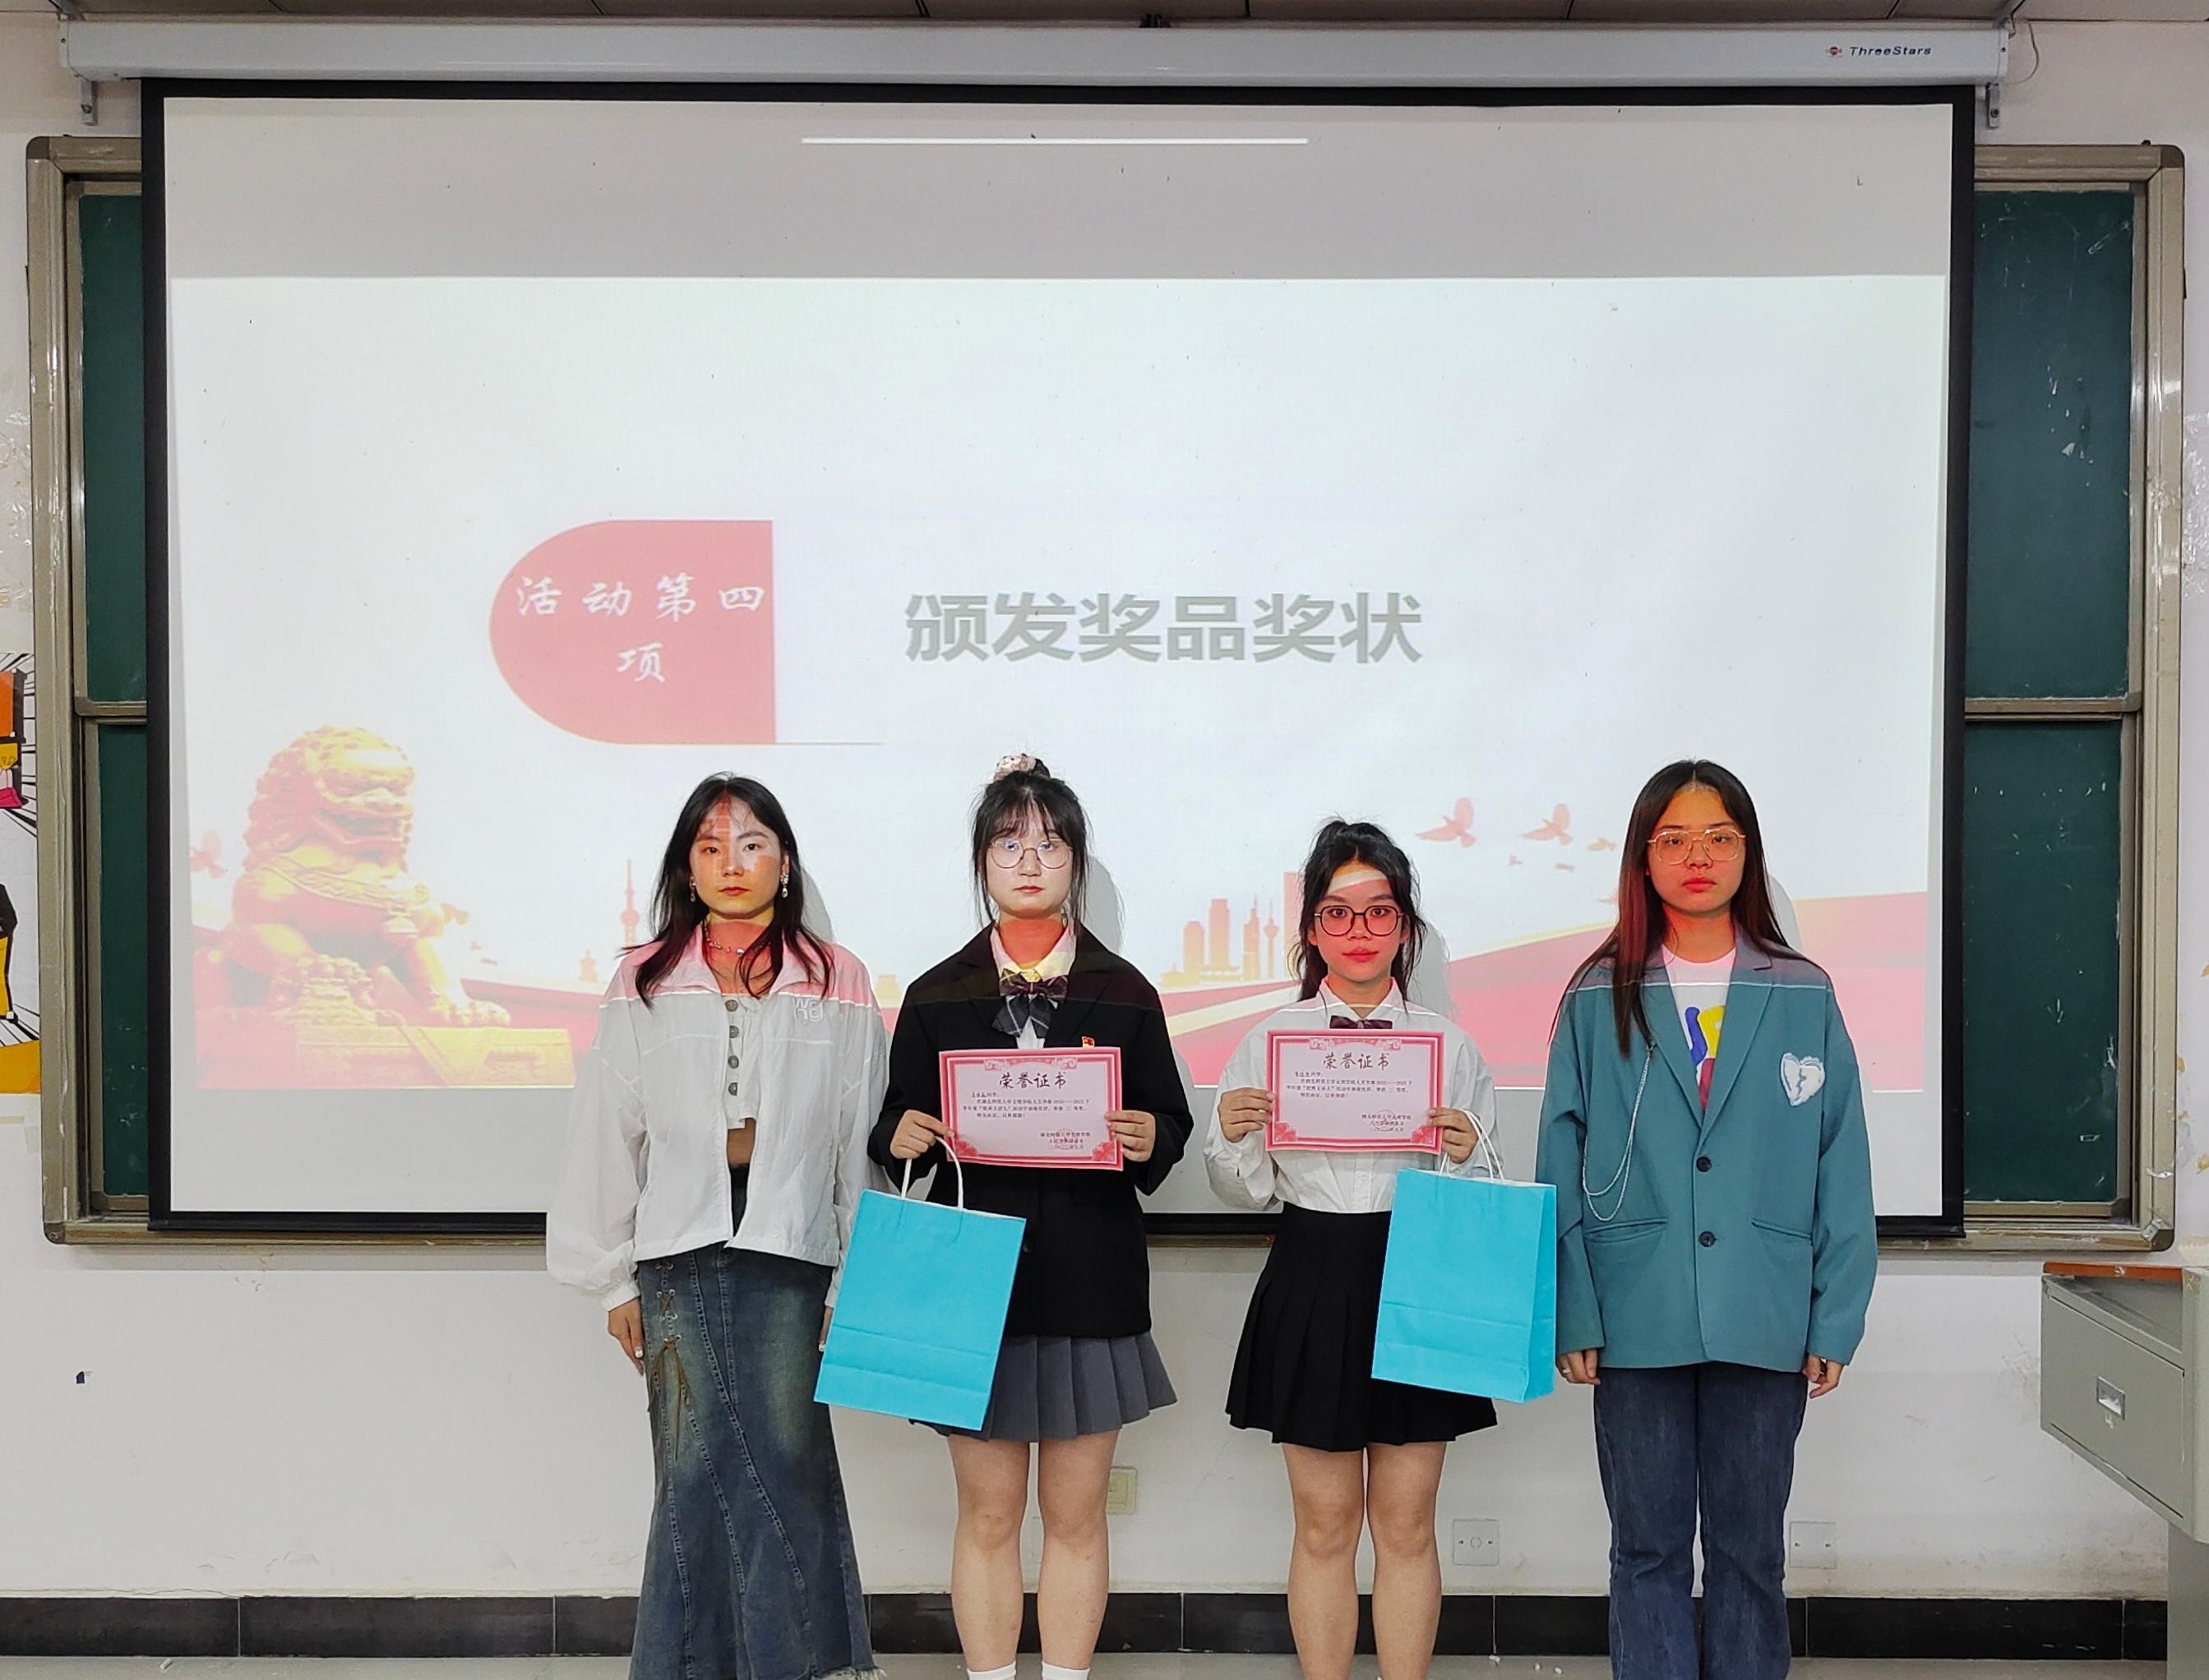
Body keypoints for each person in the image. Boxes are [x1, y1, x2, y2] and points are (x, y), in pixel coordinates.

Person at [1534, 759, 1877, 1680]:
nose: (1697, 857)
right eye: (1674, 839)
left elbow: (1840, 1158)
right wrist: (1572, 1310)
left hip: (1764, 1310)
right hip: (1633, 1311)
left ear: (1747, 853)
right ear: (1643, 859)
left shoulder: (1801, 990)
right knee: (1644, 1549)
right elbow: (1557, 1154)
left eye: (1719, 837)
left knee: (1749, 1552)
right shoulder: (1595, 991)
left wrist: (1834, 1315)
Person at [548, 773, 887, 1680]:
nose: (730, 863)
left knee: (787, 1456)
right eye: (709, 847)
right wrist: (610, 1279)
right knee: (689, 1466)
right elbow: (606, 1128)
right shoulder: (645, 979)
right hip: (675, 1243)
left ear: (785, 863)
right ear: (686, 869)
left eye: (750, 844)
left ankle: (794, 1665)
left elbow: (855, 1131)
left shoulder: (838, 977)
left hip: (792, 1239)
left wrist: (853, 1275)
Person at [870, 755, 1192, 1680]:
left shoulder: (1125, 991)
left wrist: (1148, 1135)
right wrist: (902, 1132)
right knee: (986, 1515)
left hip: (1090, 1277)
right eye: (1008, 844)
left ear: (1075, 863)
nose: (1028, 862)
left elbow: (1168, 1124)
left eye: (1049, 845)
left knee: (1077, 1517)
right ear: (981, 861)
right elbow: (890, 1126)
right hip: (971, 1284)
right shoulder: (937, 992)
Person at [1206, 819, 1498, 1680]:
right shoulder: (1268, 1040)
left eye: (1378, 912)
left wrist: (1464, 1152)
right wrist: (1233, 1137)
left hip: (1417, 1271)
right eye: (1337, 912)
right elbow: (1244, 1190)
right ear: (1310, 928)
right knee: (1324, 1525)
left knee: (1405, 1525)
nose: (1358, 930)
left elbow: (1483, 1190)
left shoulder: (1450, 1045)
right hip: (1311, 1270)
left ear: (1404, 926)